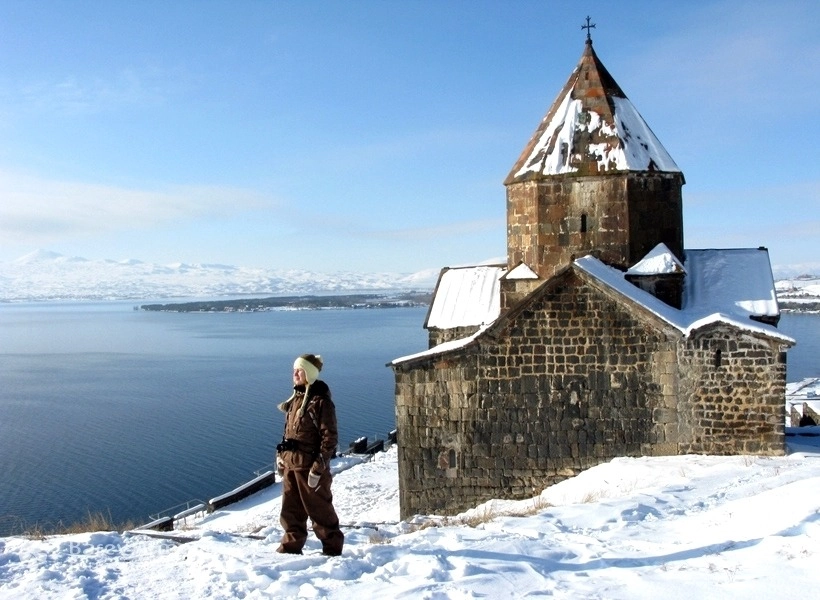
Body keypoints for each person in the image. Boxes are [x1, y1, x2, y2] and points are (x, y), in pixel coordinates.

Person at [275, 353, 344, 556]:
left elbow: (329, 438)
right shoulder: (295, 399)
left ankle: (332, 550)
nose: (295, 373)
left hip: (309, 467)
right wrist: (281, 458)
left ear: (310, 374)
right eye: (294, 369)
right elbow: (289, 432)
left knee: (320, 510)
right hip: (291, 465)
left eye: (300, 370)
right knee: (291, 511)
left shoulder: (321, 402)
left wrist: (318, 468)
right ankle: (290, 548)